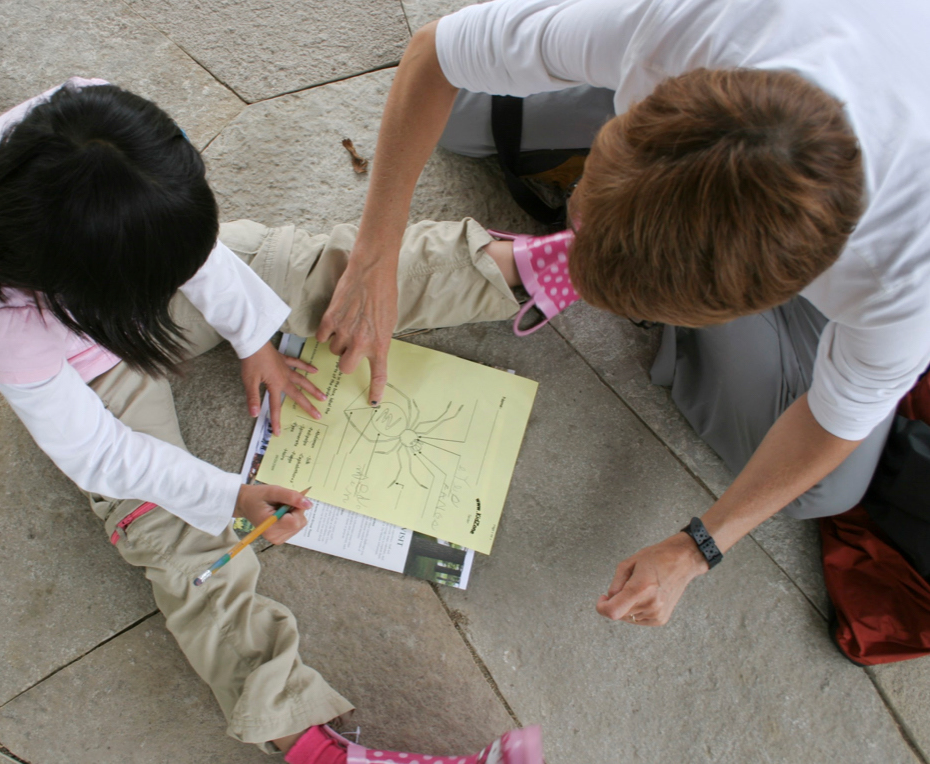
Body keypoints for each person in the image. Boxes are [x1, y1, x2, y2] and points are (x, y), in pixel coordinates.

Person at [0, 79, 543, 763]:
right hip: (91, 371)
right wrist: (228, 496)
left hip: (130, 279)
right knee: (174, 539)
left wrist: (253, 338)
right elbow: (98, 451)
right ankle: (306, 738)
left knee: (308, 269)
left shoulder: (102, 125)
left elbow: (205, 256)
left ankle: (519, 268)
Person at [316, 0, 930, 627]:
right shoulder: (681, 25)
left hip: (875, 242)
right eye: (586, 210)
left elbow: (835, 424)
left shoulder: (905, 280)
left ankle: (588, 263)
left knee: (825, 489)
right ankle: (586, 243)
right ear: (640, 114)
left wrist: (697, 548)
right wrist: (375, 254)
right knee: (456, 113)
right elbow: (432, 52)